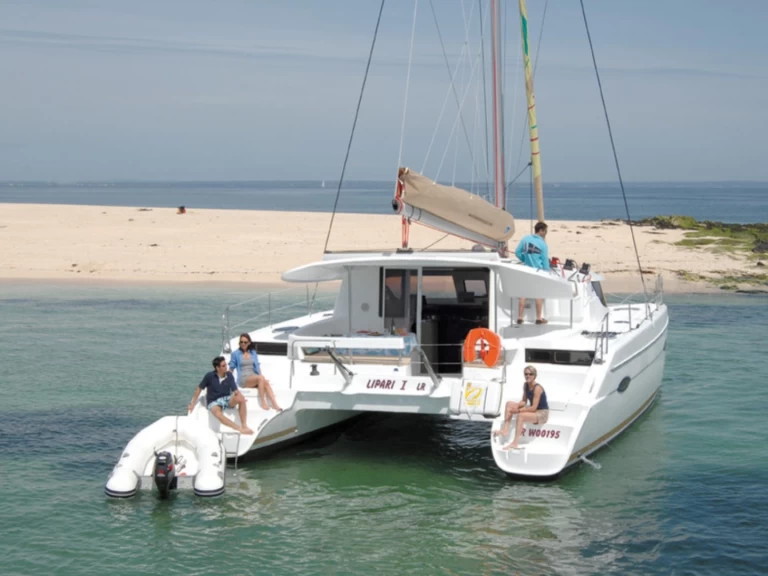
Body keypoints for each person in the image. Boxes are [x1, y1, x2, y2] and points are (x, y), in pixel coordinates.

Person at [189, 356, 254, 435]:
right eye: (223, 366)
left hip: (227, 399)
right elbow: (199, 389)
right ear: (217, 368)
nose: (226, 367)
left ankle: (244, 425)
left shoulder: (229, 375)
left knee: (241, 398)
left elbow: (235, 390)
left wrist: (240, 397)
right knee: (218, 414)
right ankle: (239, 429)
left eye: (226, 365)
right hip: (214, 401)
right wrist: (192, 404)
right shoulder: (209, 376)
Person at [492, 366, 549, 450]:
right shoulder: (526, 385)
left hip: (542, 413)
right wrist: (515, 406)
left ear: (534, 376)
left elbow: (533, 408)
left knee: (521, 416)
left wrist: (517, 410)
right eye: (526, 374)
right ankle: (505, 430)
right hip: (534, 410)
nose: (528, 376)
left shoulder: (537, 388)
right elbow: (524, 401)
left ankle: (515, 443)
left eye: (530, 374)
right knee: (509, 404)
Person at [229, 333, 282, 411]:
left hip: (254, 376)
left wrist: (262, 377)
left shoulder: (253, 352)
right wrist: (226, 379)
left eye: (245, 342)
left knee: (265, 383)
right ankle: (263, 403)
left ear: (249, 343)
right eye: (241, 342)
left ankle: (275, 404)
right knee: (260, 378)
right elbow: (231, 368)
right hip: (244, 378)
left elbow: (257, 366)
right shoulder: (235, 354)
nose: (243, 344)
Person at [515, 221, 550, 324]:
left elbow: (517, 252)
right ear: (541, 230)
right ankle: (539, 318)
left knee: (523, 294)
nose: (546, 233)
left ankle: (520, 317)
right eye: (545, 231)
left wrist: (525, 259)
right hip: (538, 271)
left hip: (526, 270)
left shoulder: (525, 239)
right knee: (538, 294)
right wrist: (547, 273)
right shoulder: (543, 244)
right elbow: (544, 261)